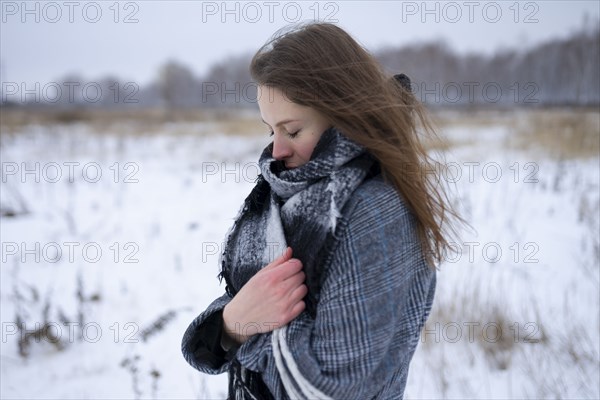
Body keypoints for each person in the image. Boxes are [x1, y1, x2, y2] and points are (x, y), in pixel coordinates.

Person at [182, 21, 461, 399]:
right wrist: (231, 323)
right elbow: (242, 313)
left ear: (344, 115)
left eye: (293, 131)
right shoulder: (288, 194)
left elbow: (334, 389)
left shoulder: (371, 211)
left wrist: (250, 330)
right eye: (270, 131)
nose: (276, 151)